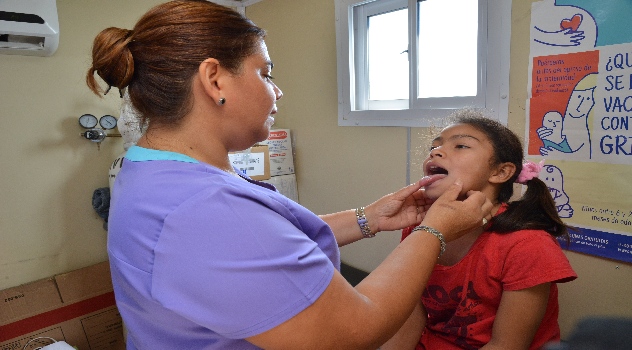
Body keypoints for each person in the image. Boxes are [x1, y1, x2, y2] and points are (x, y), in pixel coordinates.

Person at [85, 1, 493, 349]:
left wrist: (367, 218)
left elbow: (261, 254)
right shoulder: (203, 209)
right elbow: (358, 327)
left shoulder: (147, 167)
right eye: (265, 73)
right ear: (215, 79)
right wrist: (435, 230)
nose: (277, 91)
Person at [381, 109, 577, 350]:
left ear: (500, 172)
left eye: (461, 146)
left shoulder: (528, 245)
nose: (435, 152)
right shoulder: (422, 228)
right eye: (434, 147)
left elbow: (506, 345)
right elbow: (410, 313)